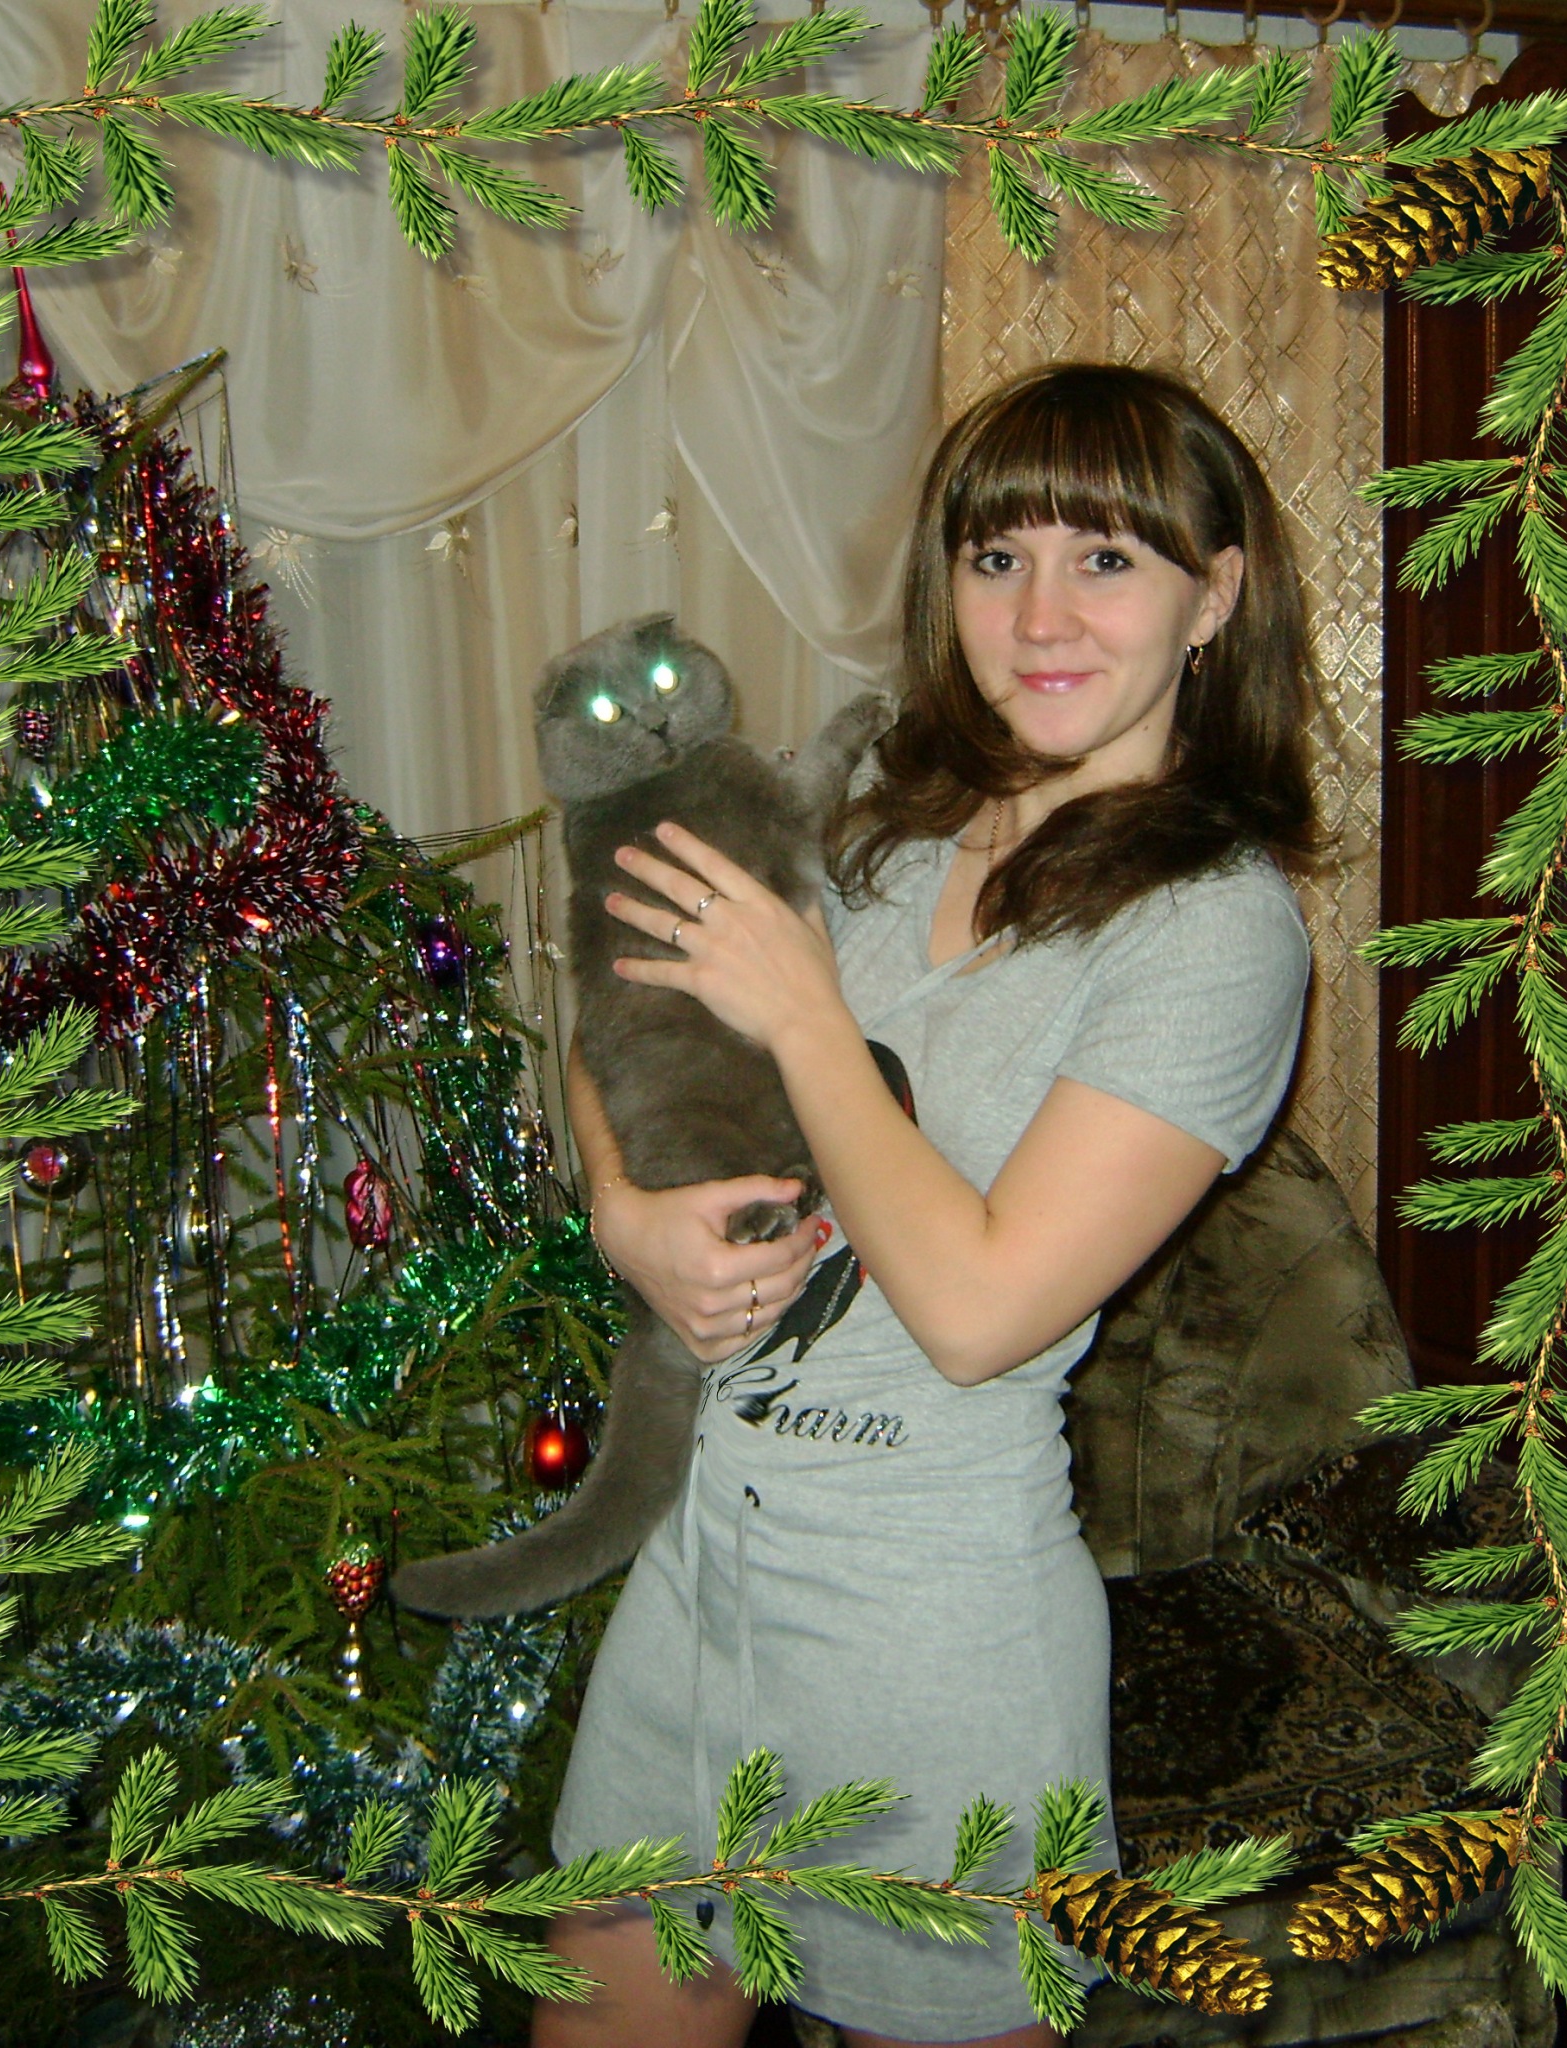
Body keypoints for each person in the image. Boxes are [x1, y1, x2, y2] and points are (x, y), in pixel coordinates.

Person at [535, 362, 1318, 2048]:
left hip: (930, 1633)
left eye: (1106, 561)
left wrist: (804, 1014)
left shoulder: (1214, 933)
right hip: (703, 1572)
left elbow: (975, 1314)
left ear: (1214, 595)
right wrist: (619, 1211)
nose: (1039, 617)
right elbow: (618, 1001)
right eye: (995, 557)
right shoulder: (875, 820)